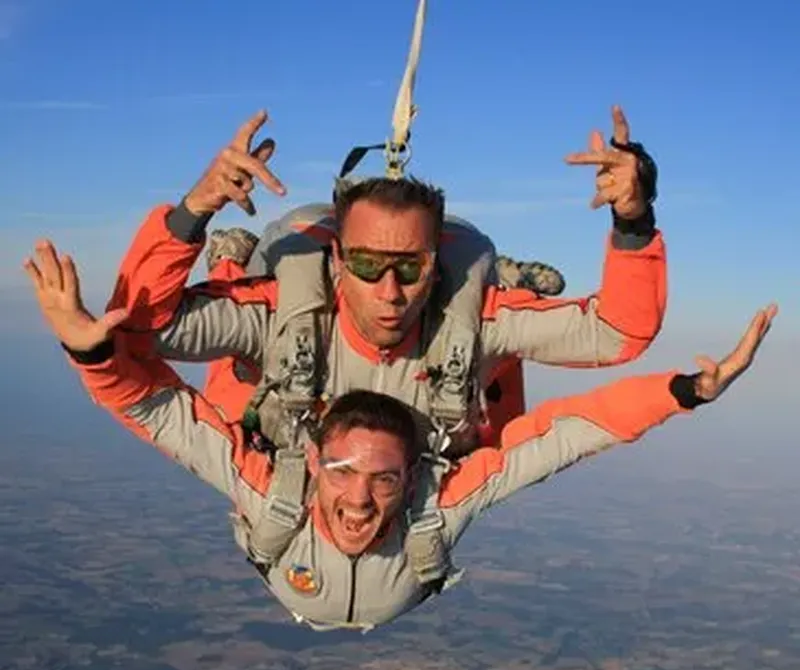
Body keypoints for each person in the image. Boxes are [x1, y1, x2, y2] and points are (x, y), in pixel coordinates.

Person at [23, 240, 776, 632]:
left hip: (341, 454)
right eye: (351, 473)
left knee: (262, 404)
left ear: (409, 474)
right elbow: (564, 437)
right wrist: (685, 395)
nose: (360, 501)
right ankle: (476, 294)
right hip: (316, 419)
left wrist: (92, 352)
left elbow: (155, 411)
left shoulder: (280, 504)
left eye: (384, 480)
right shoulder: (424, 514)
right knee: (265, 392)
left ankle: (484, 297)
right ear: (316, 461)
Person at [107, 105, 666, 460]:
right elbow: (138, 328)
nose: (391, 291)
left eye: (412, 266)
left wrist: (634, 219)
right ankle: (235, 260)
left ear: (436, 265)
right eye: (368, 265)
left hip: (411, 445)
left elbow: (618, 334)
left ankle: (497, 274)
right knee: (240, 362)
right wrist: (194, 210)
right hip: (296, 420)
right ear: (337, 261)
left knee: (487, 374)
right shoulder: (281, 314)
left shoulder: (472, 322)